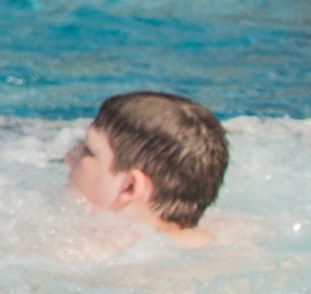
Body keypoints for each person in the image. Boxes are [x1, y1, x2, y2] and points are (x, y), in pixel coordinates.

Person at [62, 92, 229, 245]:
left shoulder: (84, 254)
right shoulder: (226, 236)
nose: (69, 157)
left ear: (130, 187)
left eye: (88, 151)